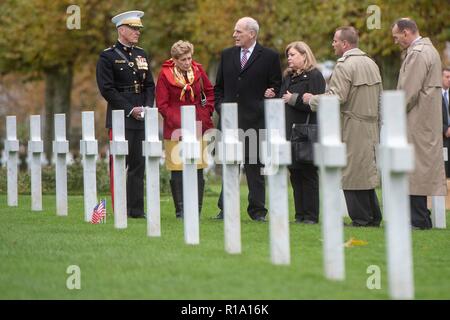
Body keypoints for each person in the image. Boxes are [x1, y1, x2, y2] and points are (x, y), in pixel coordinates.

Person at [303, 26, 382, 227]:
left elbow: (336, 97)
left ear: (345, 44)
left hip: (351, 124)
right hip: (371, 124)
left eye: (335, 41)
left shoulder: (344, 65)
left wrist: (312, 99)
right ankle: (373, 216)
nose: (333, 44)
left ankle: (361, 219)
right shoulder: (371, 62)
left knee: (351, 173)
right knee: (364, 170)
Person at [214, 17, 282, 221]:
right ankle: (226, 209)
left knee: (254, 168)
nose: (234, 35)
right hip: (229, 122)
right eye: (235, 31)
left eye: (238, 32)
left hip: (255, 121)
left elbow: (276, 87)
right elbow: (219, 88)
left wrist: (267, 100)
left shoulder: (269, 56)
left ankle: (257, 211)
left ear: (252, 34)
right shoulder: (227, 55)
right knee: (229, 165)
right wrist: (221, 108)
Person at [96, 10, 155, 218]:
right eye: (133, 28)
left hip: (142, 115)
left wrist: (146, 108)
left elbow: (149, 85)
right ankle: (119, 208)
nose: (138, 32)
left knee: (138, 165)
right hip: (121, 116)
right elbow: (107, 89)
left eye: (139, 28)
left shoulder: (142, 54)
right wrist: (130, 109)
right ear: (121, 30)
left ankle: (136, 209)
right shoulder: (107, 56)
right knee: (119, 164)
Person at [392, 18, 446, 229]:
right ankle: (420, 217)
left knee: (414, 169)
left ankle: (419, 220)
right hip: (425, 120)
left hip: (416, 119)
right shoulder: (429, 51)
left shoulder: (418, 53)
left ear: (406, 33)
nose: (395, 41)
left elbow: (408, 92)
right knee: (419, 168)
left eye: (396, 37)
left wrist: (393, 112)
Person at [265, 41, 325, 224]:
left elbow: (317, 104)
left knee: (308, 174)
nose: (289, 58)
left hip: (307, 132)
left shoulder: (315, 76)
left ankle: (311, 216)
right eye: (288, 55)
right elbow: (283, 99)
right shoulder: (288, 77)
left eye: (292, 55)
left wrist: (294, 99)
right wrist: (272, 95)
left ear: (304, 55)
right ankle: (300, 215)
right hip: (289, 132)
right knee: (295, 174)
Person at [155, 40, 214, 218]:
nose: (188, 62)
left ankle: (196, 209)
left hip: (198, 125)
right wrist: (179, 122)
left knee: (198, 167)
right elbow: (162, 104)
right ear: (174, 59)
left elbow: (210, 92)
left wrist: (206, 110)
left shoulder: (198, 70)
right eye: (183, 59)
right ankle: (181, 210)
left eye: (189, 58)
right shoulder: (165, 75)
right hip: (175, 128)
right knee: (178, 168)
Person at [441, 67, 450, 177]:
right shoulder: (434, 96)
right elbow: (431, 116)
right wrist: (445, 129)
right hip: (441, 139)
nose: (449, 79)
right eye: (447, 77)